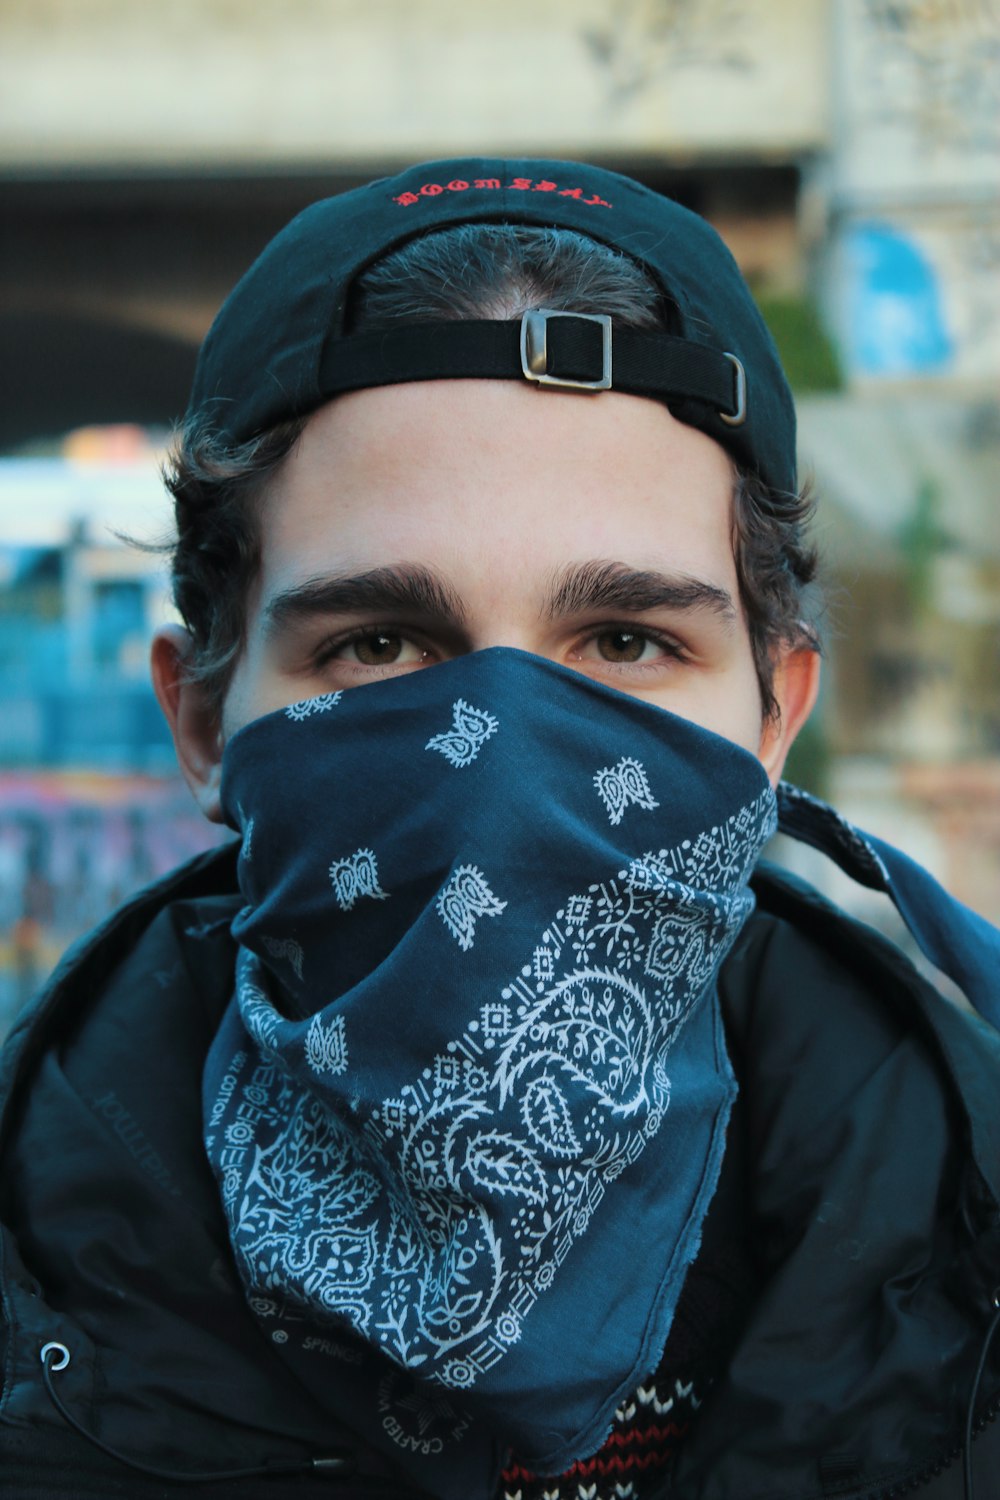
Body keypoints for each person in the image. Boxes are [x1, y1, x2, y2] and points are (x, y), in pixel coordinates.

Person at [1, 158, 999, 1500]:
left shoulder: (966, 1253)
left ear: (776, 716)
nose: (508, 756)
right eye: (382, 643)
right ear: (202, 725)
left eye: (628, 640)